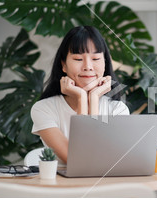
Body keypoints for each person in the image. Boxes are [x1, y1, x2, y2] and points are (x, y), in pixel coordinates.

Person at [31, 26, 129, 165]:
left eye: (95, 58)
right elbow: (79, 161)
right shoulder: (43, 109)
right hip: (62, 186)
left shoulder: (118, 109)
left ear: (105, 63)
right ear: (64, 65)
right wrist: (82, 98)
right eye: (78, 59)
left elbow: (102, 163)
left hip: (107, 186)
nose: (88, 66)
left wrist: (93, 99)